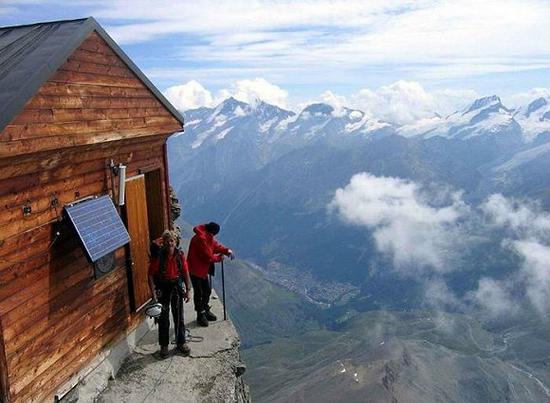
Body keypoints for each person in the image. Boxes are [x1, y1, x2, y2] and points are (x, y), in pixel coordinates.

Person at [148, 230, 192, 358]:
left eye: (172, 240)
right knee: (163, 318)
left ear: (176, 242)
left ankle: (181, 342)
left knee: (179, 316)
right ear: (164, 243)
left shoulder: (180, 256)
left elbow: (185, 272)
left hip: (176, 287)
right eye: (167, 241)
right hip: (163, 288)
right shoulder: (159, 258)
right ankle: (164, 346)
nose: (170, 243)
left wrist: (188, 290)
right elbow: (150, 274)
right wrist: (154, 294)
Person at [187, 222, 234, 327]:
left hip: (202, 270)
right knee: (199, 292)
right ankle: (200, 314)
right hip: (195, 270)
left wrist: (227, 251)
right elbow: (207, 256)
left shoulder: (206, 236)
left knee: (207, 291)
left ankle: (204, 309)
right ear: (212, 232)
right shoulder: (201, 239)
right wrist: (219, 258)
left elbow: (215, 245)